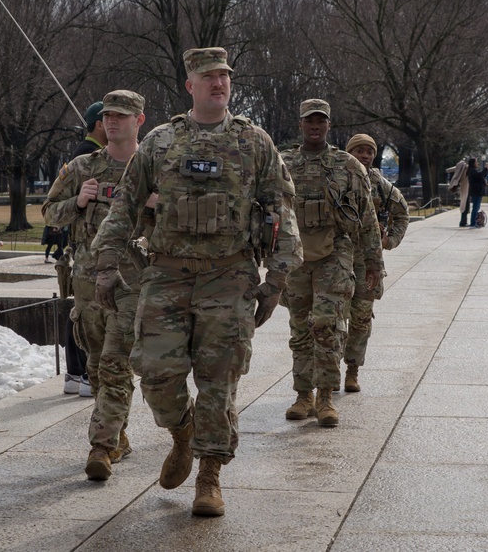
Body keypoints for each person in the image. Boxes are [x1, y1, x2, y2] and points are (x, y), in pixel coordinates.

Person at [90, 47, 302, 517]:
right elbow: (124, 206)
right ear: (190, 85)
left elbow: (280, 208)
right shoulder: (162, 142)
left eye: (224, 76)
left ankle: (209, 475)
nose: (218, 83)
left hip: (229, 277)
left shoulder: (254, 143)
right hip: (166, 275)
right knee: (156, 375)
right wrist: (106, 262)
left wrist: (278, 278)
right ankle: (181, 432)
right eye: (208, 76)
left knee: (218, 383)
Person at [42, 89, 149, 482]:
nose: (111, 121)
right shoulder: (82, 167)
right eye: (107, 115)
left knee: (116, 364)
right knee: (96, 367)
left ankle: (100, 446)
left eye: (121, 115)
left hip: (132, 282)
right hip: (87, 283)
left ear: (139, 120)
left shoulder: (153, 169)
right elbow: (50, 213)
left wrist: (156, 205)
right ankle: (118, 434)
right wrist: (78, 203)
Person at [281, 104, 383, 425]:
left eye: (320, 121)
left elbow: (367, 219)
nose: (315, 126)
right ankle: (303, 394)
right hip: (296, 254)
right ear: (300, 124)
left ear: (328, 125)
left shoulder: (348, 165)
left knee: (326, 324)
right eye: (309, 120)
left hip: (335, 254)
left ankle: (325, 395)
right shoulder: (283, 164)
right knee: (300, 327)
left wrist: (373, 264)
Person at [342, 133, 407, 393]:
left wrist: (389, 240)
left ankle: (352, 370)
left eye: (369, 151)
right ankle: (327, 370)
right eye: (359, 150)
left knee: (361, 318)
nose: (365, 155)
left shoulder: (381, 186)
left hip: (368, 262)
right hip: (338, 259)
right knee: (332, 317)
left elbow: (402, 214)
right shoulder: (338, 180)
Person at [57, 100, 110, 396]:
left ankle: (77, 373)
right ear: (99, 124)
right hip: (88, 245)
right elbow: (54, 208)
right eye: (109, 118)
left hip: (86, 245)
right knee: (85, 313)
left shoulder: (83, 152)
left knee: (81, 309)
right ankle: (84, 372)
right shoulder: (88, 156)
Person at [446, 158, 470, 226]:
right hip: (465, 187)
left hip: (463, 186)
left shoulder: (459, 167)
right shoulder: (466, 167)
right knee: (465, 204)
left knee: (463, 204)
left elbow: (448, 170)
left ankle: (463, 221)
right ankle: (463, 222)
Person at [466, 158, 488, 228]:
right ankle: (473, 223)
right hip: (476, 191)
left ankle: (474, 222)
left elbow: (482, 176)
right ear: (473, 163)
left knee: (477, 207)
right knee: (475, 207)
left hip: (477, 191)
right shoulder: (472, 171)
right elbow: (480, 175)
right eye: (476, 162)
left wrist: (486, 170)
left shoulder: (473, 171)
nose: (477, 163)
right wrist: (485, 169)